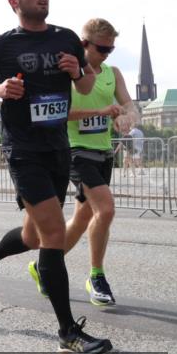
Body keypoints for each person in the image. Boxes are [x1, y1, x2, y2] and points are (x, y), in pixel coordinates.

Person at [0, 0, 110, 354]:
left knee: (32, 235)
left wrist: (77, 71)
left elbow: (84, 86)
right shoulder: (1, 45)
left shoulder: (66, 38)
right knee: (53, 234)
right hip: (24, 150)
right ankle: (67, 334)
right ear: (15, 2)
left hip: (58, 150)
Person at [28, 18, 138, 307]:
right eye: (102, 49)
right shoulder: (67, 74)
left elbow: (129, 104)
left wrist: (127, 116)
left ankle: (44, 266)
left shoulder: (113, 73)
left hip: (103, 153)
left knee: (82, 218)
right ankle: (96, 277)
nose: (106, 54)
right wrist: (100, 112)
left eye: (111, 49)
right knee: (106, 209)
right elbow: (56, 113)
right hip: (76, 151)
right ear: (84, 44)